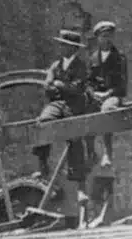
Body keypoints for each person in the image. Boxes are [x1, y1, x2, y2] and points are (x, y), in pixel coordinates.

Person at [33, 29, 91, 203]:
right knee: (43, 123)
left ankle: (80, 184)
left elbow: (78, 88)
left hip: (75, 104)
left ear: (73, 49)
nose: (62, 48)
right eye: (61, 45)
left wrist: (60, 85)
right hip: (56, 104)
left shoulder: (81, 66)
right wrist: (54, 86)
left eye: (66, 46)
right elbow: (48, 85)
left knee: (73, 135)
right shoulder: (55, 65)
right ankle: (43, 167)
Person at [86, 20, 128, 169]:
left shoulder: (119, 57)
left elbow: (122, 85)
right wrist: (92, 93)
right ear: (98, 38)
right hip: (96, 97)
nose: (107, 39)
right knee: (84, 112)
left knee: (106, 111)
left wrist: (108, 94)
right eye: (103, 36)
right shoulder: (92, 58)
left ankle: (107, 152)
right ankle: (91, 152)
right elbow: (89, 81)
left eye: (109, 36)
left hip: (113, 97)